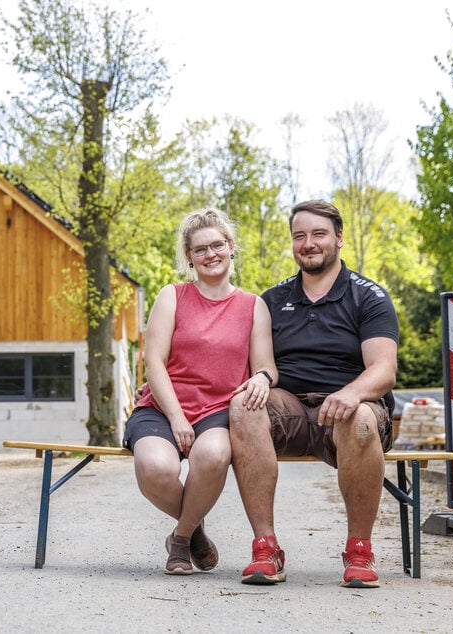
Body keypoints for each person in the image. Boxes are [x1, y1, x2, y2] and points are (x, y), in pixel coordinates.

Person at [230, 199, 398, 589]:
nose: (308, 243)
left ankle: (359, 550)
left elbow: (384, 370)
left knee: (360, 419)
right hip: (288, 405)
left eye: (318, 234)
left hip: (349, 410)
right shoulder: (271, 301)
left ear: (339, 237)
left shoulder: (369, 297)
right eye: (299, 236)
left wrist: (351, 394)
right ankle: (265, 547)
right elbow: (245, 360)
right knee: (242, 406)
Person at [124, 208, 276, 575]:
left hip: (217, 411)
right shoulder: (172, 296)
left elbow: (266, 366)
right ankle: (195, 532)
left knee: (214, 454)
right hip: (162, 408)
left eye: (217, 245)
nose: (211, 254)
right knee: (154, 468)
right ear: (189, 256)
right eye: (201, 249)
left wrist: (262, 378)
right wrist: (176, 417)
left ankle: (180, 539)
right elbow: (154, 363)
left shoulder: (253, 306)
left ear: (231, 246)